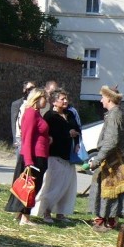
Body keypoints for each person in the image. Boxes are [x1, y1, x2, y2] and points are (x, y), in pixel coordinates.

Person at [84, 86, 124, 232]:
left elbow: (111, 141)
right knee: (104, 189)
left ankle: (108, 221)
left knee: (110, 191)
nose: (101, 100)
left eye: (102, 97)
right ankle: (104, 219)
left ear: (109, 98)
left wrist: (97, 159)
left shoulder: (115, 115)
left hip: (112, 160)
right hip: (111, 158)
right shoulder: (113, 113)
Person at [32, 89, 80, 223]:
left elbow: (77, 129)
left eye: (66, 99)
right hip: (55, 154)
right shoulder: (50, 116)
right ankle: (46, 212)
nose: (65, 101)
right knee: (54, 185)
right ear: (54, 101)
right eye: (62, 99)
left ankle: (61, 212)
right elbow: (50, 135)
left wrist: (76, 142)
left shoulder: (70, 114)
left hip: (69, 155)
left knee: (67, 186)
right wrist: (67, 134)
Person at [4, 87, 50, 225]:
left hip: (40, 154)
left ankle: (20, 214)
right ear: (37, 98)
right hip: (33, 157)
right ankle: (25, 217)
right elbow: (27, 138)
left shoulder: (37, 113)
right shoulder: (30, 113)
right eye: (44, 98)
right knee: (30, 188)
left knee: (33, 186)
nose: (46, 101)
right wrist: (29, 161)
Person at [11, 81, 36, 153]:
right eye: (30, 88)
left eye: (34, 88)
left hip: (32, 137)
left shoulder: (37, 104)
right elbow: (13, 121)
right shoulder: (17, 104)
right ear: (24, 89)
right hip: (20, 137)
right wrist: (15, 140)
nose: (32, 91)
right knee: (20, 161)